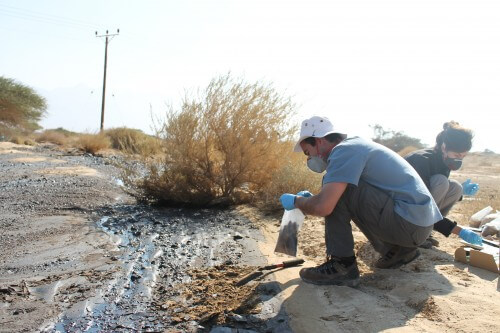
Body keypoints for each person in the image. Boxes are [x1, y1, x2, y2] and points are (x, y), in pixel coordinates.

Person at [280, 116, 443, 286]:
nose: (309, 159)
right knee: (340, 189)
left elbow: (324, 207)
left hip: (407, 223)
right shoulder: (355, 146)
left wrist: (297, 201)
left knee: (342, 192)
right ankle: (398, 251)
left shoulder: (343, 151)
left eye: (308, 152)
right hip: (418, 225)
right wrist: (313, 199)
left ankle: (342, 265)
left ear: (319, 142)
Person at [405, 121, 482, 247]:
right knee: (441, 181)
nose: (459, 159)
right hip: (402, 211)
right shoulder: (421, 160)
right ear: (444, 147)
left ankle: (425, 231)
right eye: (457, 155)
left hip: (419, 209)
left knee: (456, 187)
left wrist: (461, 192)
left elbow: (433, 202)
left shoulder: (443, 160)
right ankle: (414, 232)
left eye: (463, 156)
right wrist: (459, 231)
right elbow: (422, 204)